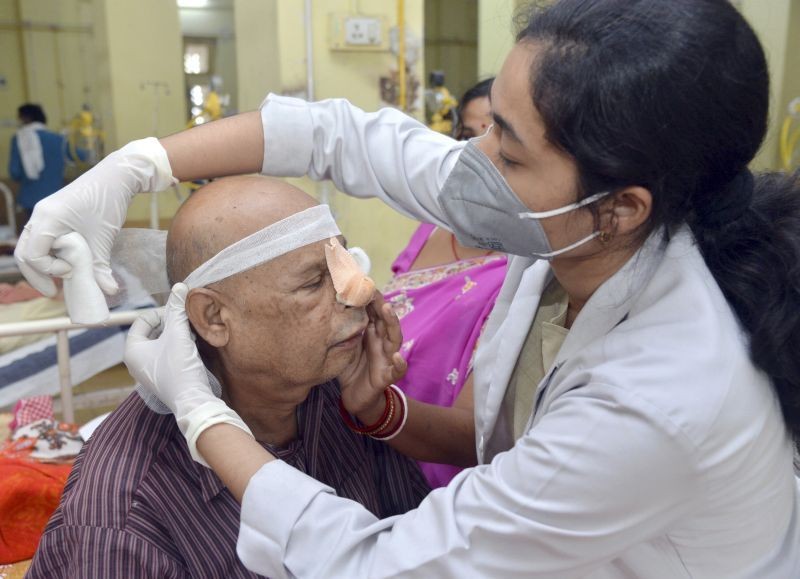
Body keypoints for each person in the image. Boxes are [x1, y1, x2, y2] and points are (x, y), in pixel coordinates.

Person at [14, 0, 800, 576]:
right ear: (210, 316)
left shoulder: (662, 395)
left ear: (621, 207)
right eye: (481, 127)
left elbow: (377, 562)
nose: (472, 160)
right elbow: (341, 136)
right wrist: (141, 163)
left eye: (510, 150)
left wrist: (201, 413)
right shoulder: (127, 517)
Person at [26, 175, 429, 578]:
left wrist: (378, 412)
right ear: (214, 318)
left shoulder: (334, 394)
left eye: (347, 263)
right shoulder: (125, 513)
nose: (358, 291)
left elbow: (414, 549)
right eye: (313, 282)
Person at [383, 77, 504, 488]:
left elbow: (472, 436)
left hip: (436, 483)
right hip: (372, 453)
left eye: (498, 134)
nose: (480, 155)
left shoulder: (528, 267)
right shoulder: (433, 227)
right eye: (467, 137)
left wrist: (375, 407)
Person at [7, 104, 65, 224]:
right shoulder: (59, 139)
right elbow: (81, 157)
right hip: (57, 197)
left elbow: (15, 172)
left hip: (31, 199)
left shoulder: (19, 139)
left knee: (35, 236)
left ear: (26, 118)